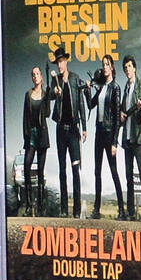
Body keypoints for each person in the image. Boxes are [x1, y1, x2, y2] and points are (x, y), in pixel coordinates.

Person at [47, 46, 87, 218]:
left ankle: (77, 211)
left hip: (74, 131)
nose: (60, 65)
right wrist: (54, 93)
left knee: (75, 170)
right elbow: (49, 96)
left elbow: (81, 105)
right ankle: (64, 209)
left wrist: (84, 127)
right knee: (62, 169)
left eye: (62, 61)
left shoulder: (75, 79)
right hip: (60, 132)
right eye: (58, 62)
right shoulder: (54, 81)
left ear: (66, 61)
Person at [85, 54, 123, 219]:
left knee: (113, 171)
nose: (105, 67)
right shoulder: (100, 87)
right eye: (103, 64)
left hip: (109, 134)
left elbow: (116, 118)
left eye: (107, 64)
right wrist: (87, 90)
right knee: (97, 171)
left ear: (112, 67)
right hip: (99, 132)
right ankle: (96, 210)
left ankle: (121, 210)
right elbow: (90, 105)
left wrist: (115, 142)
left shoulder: (115, 88)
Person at [119, 55, 141, 221]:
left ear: (135, 68)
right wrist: (120, 115)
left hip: (139, 138)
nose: (127, 69)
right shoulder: (125, 89)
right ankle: (131, 213)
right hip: (127, 138)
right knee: (128, 176)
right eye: (125, 67)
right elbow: (122, 112)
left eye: (129, 66)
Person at [21, 65, 50, 215]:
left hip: (42, 136)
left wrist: (49, 94)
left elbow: (48, 114)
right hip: (31, 134)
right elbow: (25, 116)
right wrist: (25, 135)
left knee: (40, 171)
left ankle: (40, 208)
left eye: (38, 74)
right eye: (33, 74)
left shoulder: (46, 94)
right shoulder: (28, 94)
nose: (35, 76)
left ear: (41, 77)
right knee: (27, 167)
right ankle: (28, 205)